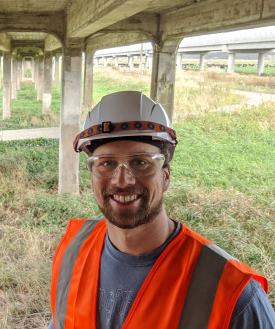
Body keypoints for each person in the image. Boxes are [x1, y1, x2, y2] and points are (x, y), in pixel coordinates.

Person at [48, 91, 274, 328]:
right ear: (92, 176)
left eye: (141, 162)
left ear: (165, 176)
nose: (122, 180)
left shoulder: (232, 294)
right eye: (106, 163)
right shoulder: (72, 252)